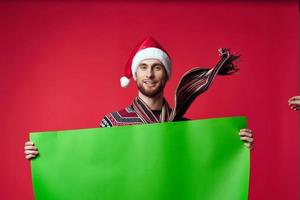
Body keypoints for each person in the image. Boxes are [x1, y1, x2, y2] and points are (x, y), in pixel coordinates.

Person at [24, 36, 253, 160]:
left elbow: (208, 164)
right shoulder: (112, 123)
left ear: (166, 74)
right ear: (135, 74)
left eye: (157, 67)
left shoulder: (184, 127)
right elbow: (90, 162)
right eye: (143, 67)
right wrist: (44, 153)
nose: (150, 74)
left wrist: (236, 145)